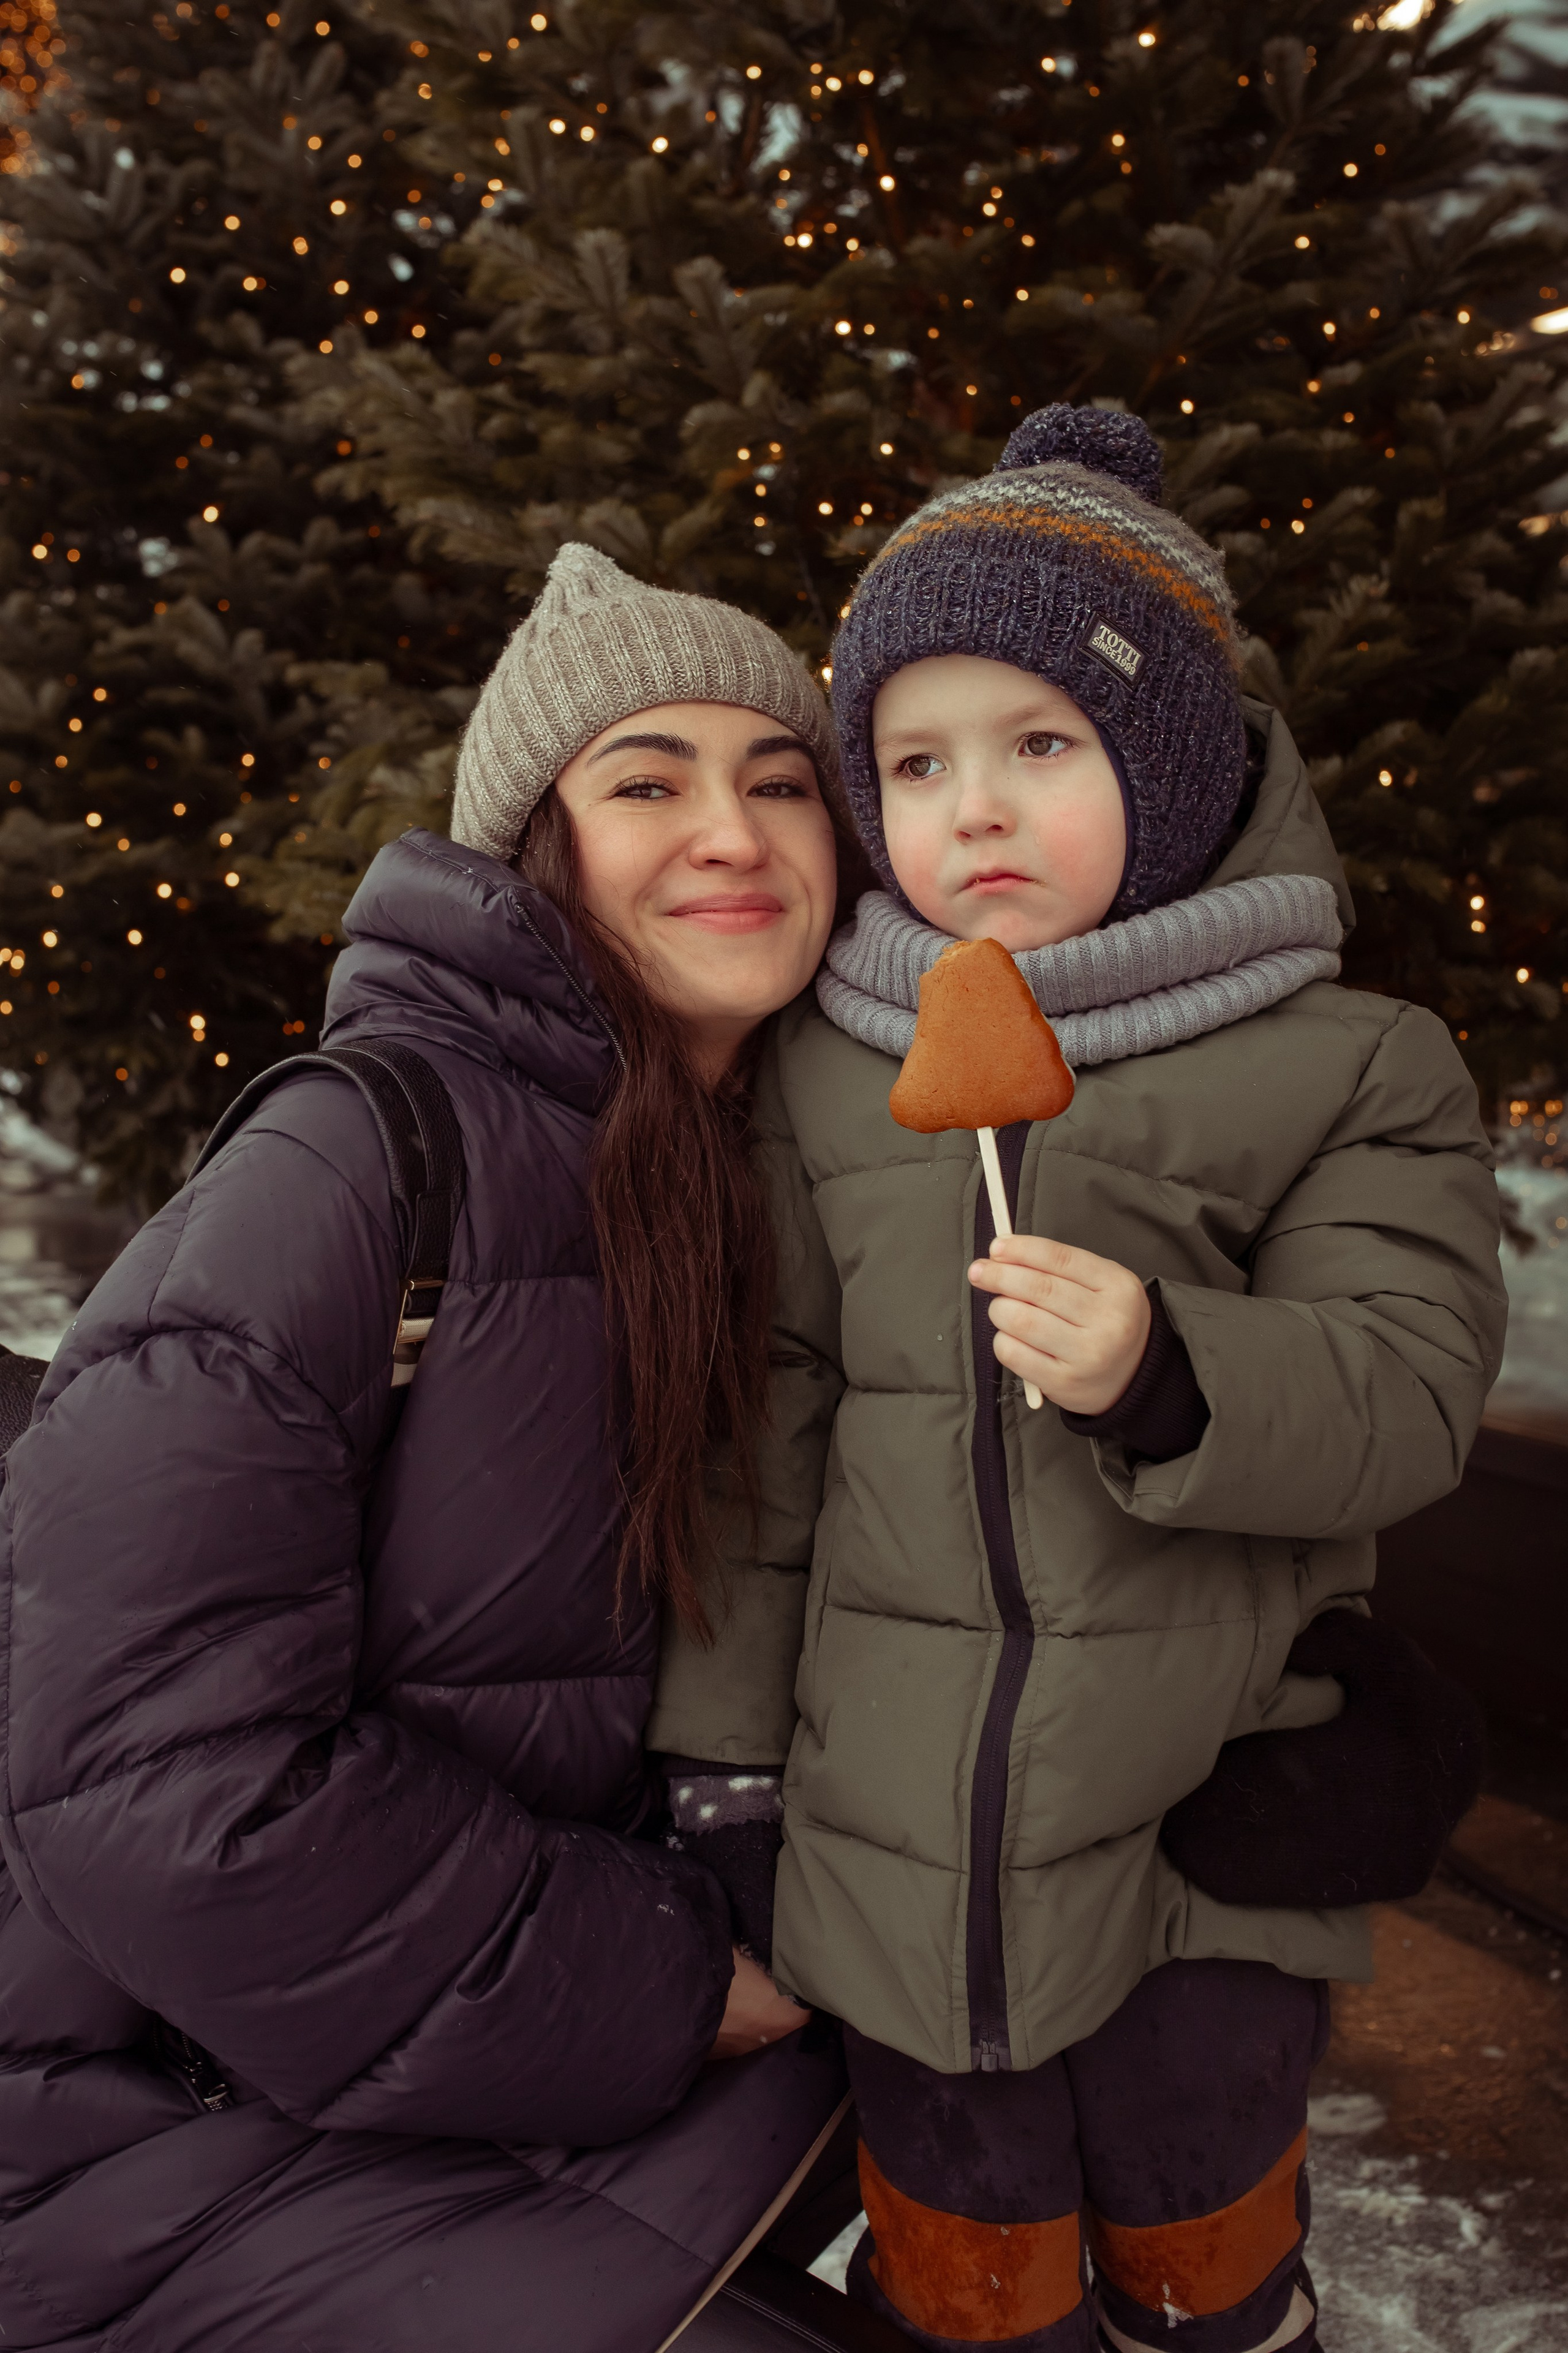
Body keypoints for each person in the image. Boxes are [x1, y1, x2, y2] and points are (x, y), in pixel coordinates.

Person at [649, 409, 1507, 2353]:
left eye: (1045, 745)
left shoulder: (1349, 1060)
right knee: (968, 2265)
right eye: (918, 763)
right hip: (895, 1840)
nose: (976, 812)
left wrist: (1169, 1365)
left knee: (1198, 2223)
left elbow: (1409, 1377)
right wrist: (726, 1765)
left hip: (1202, 1825)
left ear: (1176, 767)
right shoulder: (820, 1074)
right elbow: (761, 1439)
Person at [0, 545, 854, 2352]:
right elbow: (151, 1780)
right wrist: (676, 1977)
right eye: (648, 780)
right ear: (531, 847)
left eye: (784, 780)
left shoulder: (792, 1180)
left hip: (497, 2095)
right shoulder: (366, 1164)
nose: (733, 830)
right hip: (171, 2122)